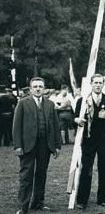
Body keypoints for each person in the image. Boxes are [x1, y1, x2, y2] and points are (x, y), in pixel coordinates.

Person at [13, 77, 61, 214]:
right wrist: (18, 145)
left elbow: (56, 126)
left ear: (44, 88)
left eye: (40, 86)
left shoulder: (50, 104)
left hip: (45, 145)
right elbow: (16, 126)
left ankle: (38, 203)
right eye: (35, 86)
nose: (38, 89)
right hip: (27, 145)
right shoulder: (22, 103)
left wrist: (57, 145)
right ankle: (23, 206)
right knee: (26, 175)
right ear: (30, 89)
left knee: (41, 174)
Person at [74, 74, 105, 209]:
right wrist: (77, 120)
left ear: (103, 84)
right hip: (89, 140)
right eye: (96, 83)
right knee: (86, 169)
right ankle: (82, 200)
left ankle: (103, 198)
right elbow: (75, 117)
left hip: (104, 140)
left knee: (104, 168)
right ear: (91, 84)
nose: (98, 85)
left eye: (100, 83)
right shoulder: (83, 101)